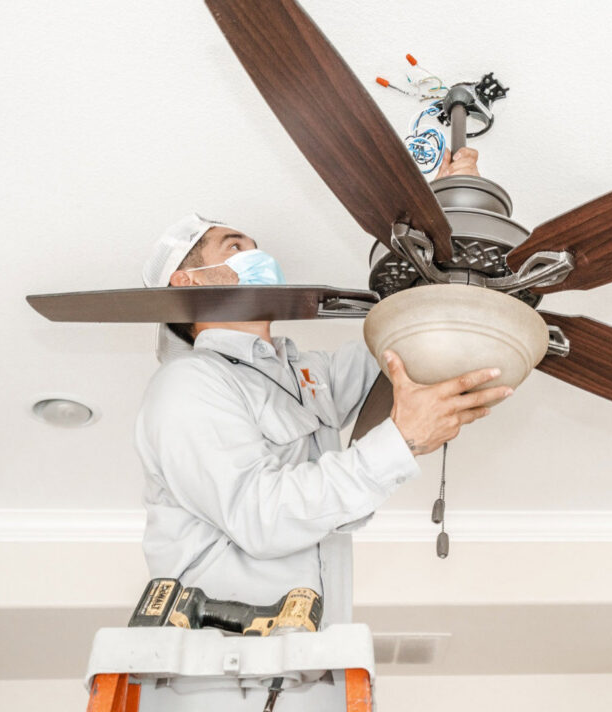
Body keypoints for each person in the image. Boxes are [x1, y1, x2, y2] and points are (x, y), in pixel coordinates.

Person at [132, 149, 498, 709]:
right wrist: (401, 440)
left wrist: (444, 216)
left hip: (306, 671)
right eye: (234, 246)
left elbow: (409, 341)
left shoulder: (306, 376)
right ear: (188, 279)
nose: (256, 255)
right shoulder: (189, 384)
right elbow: (260, 516)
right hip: (218, 681)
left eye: (255, 248)